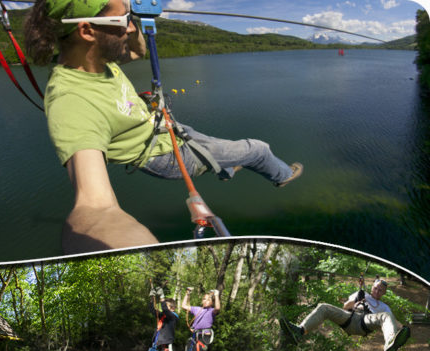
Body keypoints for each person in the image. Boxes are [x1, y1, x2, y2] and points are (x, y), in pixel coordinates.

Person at [23, 0, 304, 253]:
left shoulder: (96, 60)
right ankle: (282, 176)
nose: (131, 29)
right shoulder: (72, 101)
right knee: (257, 149)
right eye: (123, 22)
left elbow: (136, 53)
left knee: (219, 151)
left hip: (166, 130)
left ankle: (226, 167)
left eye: (130, 18)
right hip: (166, 156)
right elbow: (95, 206)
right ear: (86, 31)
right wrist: (133, 255)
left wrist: (141, 22)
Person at [280, 279, 411, 351]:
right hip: (349, 317)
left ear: (384, 293)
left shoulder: (384, 307)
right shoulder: (362, 293)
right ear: (372, 287)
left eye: (381, 290)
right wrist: (357, 300)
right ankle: (300, 331)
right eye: (376, 288)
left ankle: (390, 342)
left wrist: (403, 329)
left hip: (364, 322)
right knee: (323, 307)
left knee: (385, 316)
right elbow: (345, 307)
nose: (377, 291)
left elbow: (392, 320)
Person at [181, 287, 221, 351]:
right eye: (204, 299)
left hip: (203, 337)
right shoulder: (197, 309)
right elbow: (184, 306)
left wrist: (216, 295)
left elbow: (218, 307)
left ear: (211, 302)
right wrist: (188, 293)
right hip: (193, 336)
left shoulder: (212, 311)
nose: (205, 301)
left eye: (208, 299)